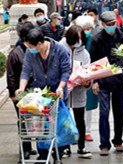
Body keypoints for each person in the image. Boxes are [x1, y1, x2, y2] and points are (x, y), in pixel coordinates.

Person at [90, 11, 123, 156]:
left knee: (119, 112)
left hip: (120, 80)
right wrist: (94, 80)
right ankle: (104, 144)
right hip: (103, 80)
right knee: (104, 113)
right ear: (103, 24)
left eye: (114, 24)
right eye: (109, 24)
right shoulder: (96, 39)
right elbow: (93, 62)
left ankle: (118, 141)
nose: (112, 26)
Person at [15, 28, 71, 163]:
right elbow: (26, 70)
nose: (29, 49)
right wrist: (21, 88)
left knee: (58, 124)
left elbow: (65, 71)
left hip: (57, 91)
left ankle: (58, 152)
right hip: (40, 92)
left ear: (40, 43)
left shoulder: (59, 49)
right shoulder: (30, 52)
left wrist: (60, 87)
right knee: (41, 125)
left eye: (31, 46)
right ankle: (43, 153)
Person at [60, 25, 92, 158]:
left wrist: (86, 82)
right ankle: (65, 147)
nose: (78, 41)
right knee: (64, 120)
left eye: (80, 38)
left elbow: (88, 72)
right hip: (63, 91)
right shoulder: (60, 48)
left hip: (78, 92)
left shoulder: (84, 53)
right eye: (76, 38)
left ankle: (81, 147)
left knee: (80, 119)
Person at [7, 22, 36, 160]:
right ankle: (24, 149)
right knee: (23, 121)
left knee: (32, 120)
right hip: (20, 92)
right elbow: (11, 75)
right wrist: (12, 93)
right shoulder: (15, 53)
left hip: (33, 90)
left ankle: (30, 147)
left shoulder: (32, 50)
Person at [76, 15, 98, 142]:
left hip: (89, 75)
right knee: (75, 106)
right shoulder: (73, 39)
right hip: (75, 75)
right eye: (84, 28)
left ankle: (87, 131)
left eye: (89, 28)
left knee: (88, 106)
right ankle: (75, 131)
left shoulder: (94, 39)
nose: (86, 30)